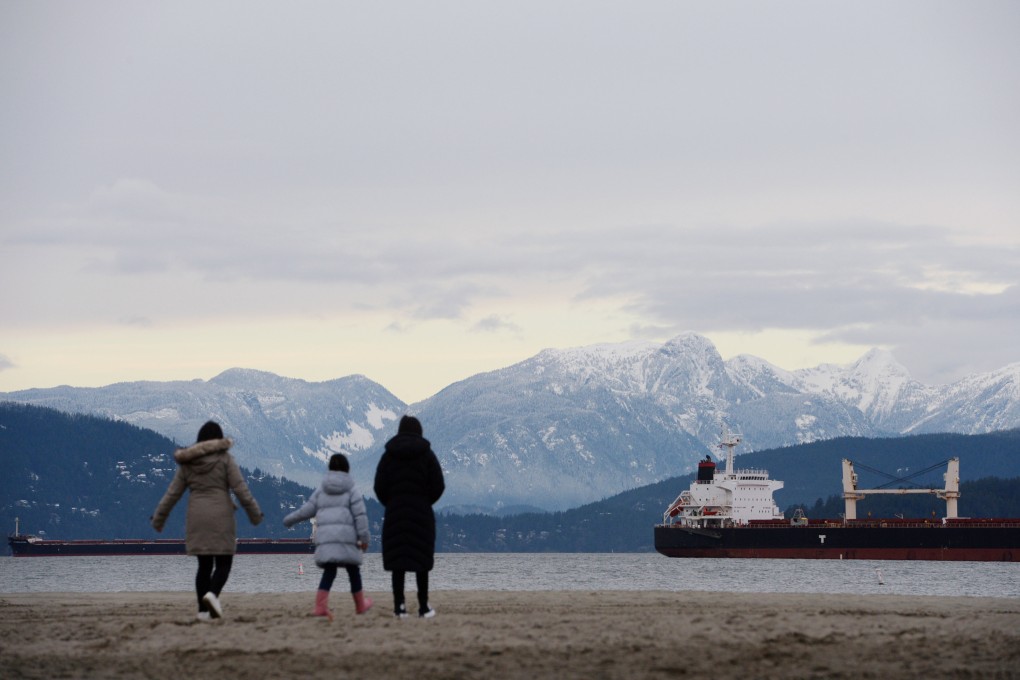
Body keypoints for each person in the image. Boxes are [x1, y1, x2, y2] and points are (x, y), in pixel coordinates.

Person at [151, 421, 263, 622]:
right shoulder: (226, 460)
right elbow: (241, 489)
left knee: (203, 566)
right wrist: (254, 513)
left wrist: (159, 518)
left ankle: (202, 612)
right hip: (222, 516)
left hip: (197, 517)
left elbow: (172, 494)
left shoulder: (188, 463)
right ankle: (213, 594)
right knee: (223, 563)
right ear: (220, 440)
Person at [283, 453, 372, 620]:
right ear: (347, 469)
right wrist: (364, 539)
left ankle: (320, 607)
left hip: (326, 542)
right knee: (354, 572)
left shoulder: (321, 491)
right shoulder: (352, 491)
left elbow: (306, 510)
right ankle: (360, 605)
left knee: (329, 573)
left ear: (329, 469)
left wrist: (290, 520)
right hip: (348, 541)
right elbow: (360, 516)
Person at [374, 415, 445, 618]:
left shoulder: (388, 456)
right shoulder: (427, 455)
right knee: (421, 562)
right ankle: (423, 607)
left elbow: (379, 486)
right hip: (421, 514)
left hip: (395, 513)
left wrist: (392, 502)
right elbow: (439, 485)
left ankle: (400, 607)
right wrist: (425, 501)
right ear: (419, 431)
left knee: (399, 562)